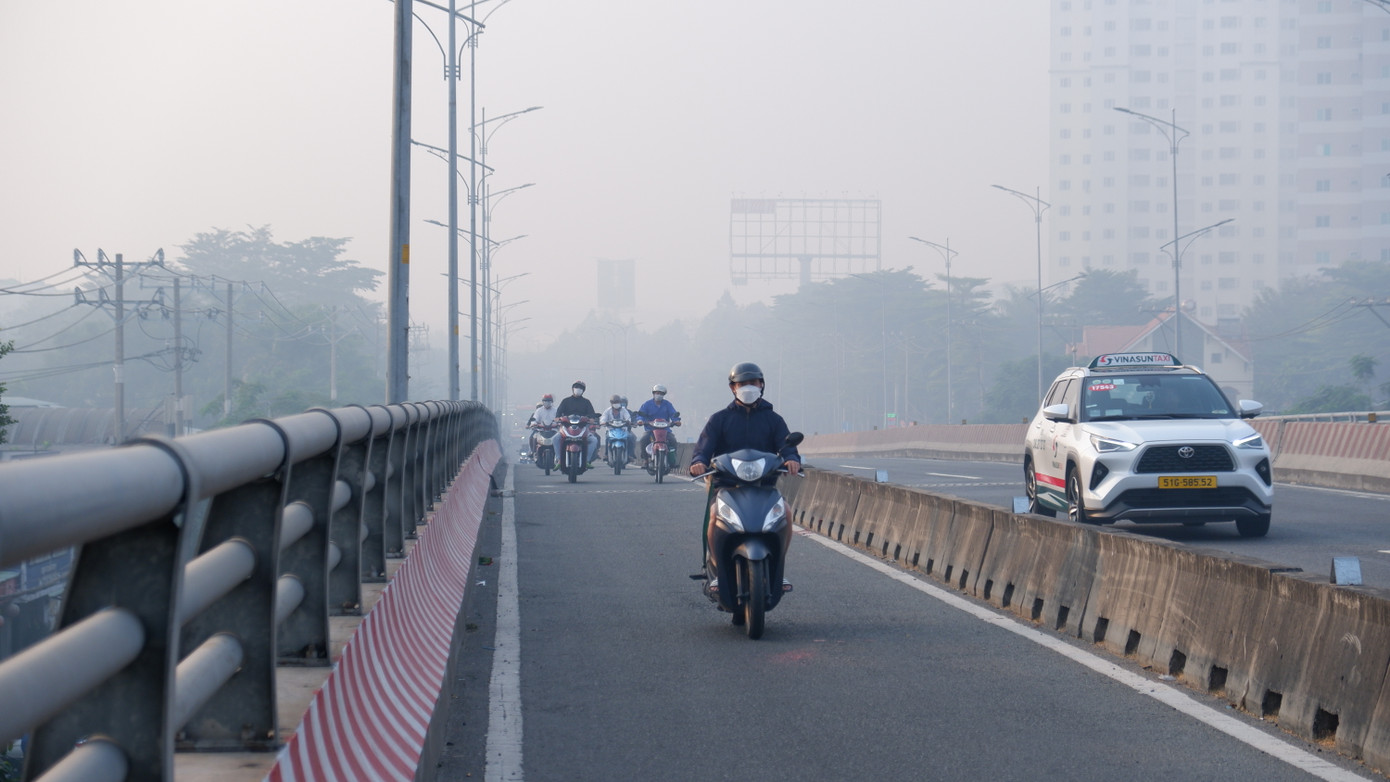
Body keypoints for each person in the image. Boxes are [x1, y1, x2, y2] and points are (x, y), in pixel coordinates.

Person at [689, 362, 801, 567]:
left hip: (764, 485)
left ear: (761, 385)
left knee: (785, 513)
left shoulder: (774, 420)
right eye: (742, 383)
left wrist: (792, 459)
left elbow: (786, 446)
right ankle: (715, 565)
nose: (748, 387)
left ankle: (778, 564)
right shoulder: (719, 419)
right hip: (726, 484)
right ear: (733, 387)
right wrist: (698, 463)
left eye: (753, 382)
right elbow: (703, 449)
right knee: (714, 516)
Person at [635, 383, 682, 470]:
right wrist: (640, 420)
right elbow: (641, 414)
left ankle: (673, 460)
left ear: (663, 395)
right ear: (653, 393)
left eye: (661, 393)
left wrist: (676, 421)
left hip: (665, 430)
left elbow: (673, 414)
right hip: (650, 429)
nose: (659, 395)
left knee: (673, 440)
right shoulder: (647, 404)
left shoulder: (668, 404)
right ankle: (646, 460)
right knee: (643, 439)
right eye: (657, 393)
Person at [553, 380, 599, 465]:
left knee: (594, 440)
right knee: (555, 439)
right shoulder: (565, 401)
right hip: (566, 427)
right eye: (577, 387)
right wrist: (557, 418)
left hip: (582, 428)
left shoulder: (586, 402)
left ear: (583, 390)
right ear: (572, 389)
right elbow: (558, 413)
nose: (578, 389)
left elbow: (592, 414)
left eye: (581, 388)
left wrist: (592, 419)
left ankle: (587, 460)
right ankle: (559, 460)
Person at [598, 393, 633, 461]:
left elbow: (628, 417)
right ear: (611, 403)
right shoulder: (607, 411)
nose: (616, 404)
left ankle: (629, 455)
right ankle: (606, 454)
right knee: (608, 438)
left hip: (623, 430)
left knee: (630, 437)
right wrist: (603, 422)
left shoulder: (623, 410)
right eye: (614, 402)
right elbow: (603, 418)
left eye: (617, 402)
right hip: (611, 430)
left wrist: (628, 421)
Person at [526, 393, 558, 462]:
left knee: (561, 438)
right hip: (541, 430)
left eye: (549, 401)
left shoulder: (556, 410)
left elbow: (559, 419)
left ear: (551, 402)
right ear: (543, 402)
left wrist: (559, 423)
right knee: (532, 437)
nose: (547, 403)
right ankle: (533, 452)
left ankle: (560, 454)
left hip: (553, 430)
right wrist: (533, 424)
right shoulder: (539, 411)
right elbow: (535, 419)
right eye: (545, 401)